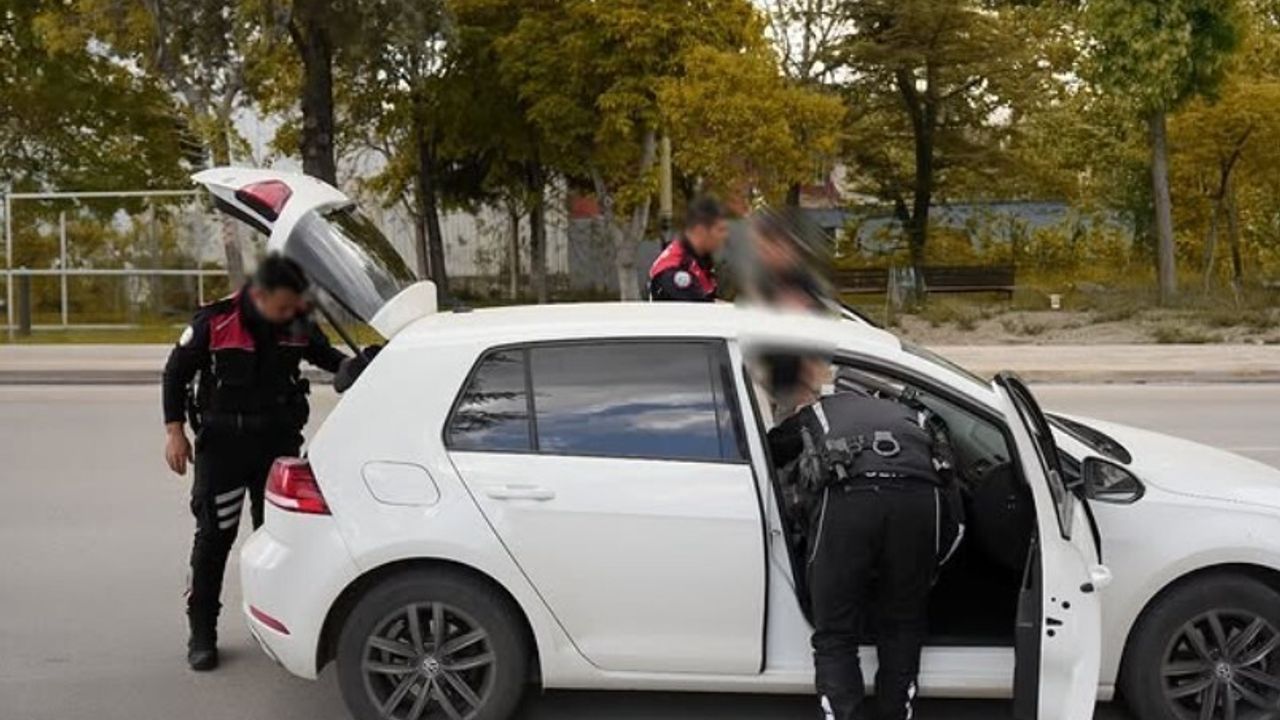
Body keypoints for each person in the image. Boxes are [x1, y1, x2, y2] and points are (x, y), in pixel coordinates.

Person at [162, 254, 353, 671]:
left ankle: (275, 625)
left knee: (282, 543)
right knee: (214, 539)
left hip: (276, 446)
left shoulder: (296, 321)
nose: (291, 315)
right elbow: (175, 373)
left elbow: (331, 359)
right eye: (283, 307)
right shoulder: (214, 322)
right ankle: (202, 633)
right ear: (259, 296)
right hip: (222, 448)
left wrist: (364, 366)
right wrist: (175, 431)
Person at [765, 353, 962, 720]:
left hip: (849, 502)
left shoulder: (819, 414)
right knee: (903, 623)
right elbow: (952, 496)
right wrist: (930, 566)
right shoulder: (917, 418)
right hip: (920, 501)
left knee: (836, 633)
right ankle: (895, 711)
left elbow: (768, 451)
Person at [648, 196, 729, 302]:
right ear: (700, 231)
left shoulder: (698, 260)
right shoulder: (675, 270)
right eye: (720, 230)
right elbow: (704, 311)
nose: (725, 236)